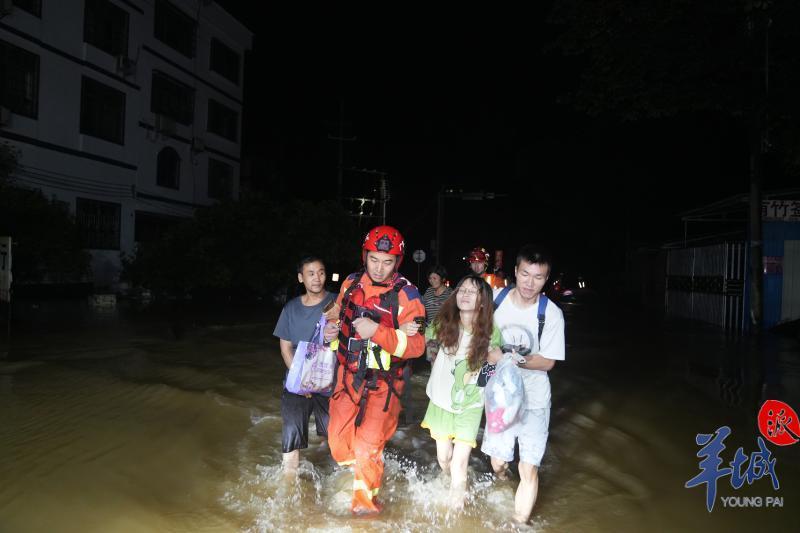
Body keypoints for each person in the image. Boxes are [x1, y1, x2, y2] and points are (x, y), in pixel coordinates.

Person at [322, 225, 426, 515]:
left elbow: (417, 346)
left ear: (397, 262)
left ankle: (365, 512)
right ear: (365, 256)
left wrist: (377, 331)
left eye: (387, 261)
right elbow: (337, 314)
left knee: (367, 446)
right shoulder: (350, 283)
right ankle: (367, 465)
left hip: (384, 385)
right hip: (347, 376)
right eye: (374, 260)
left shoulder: (408, 295)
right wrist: (331, 329)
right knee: (338, 445)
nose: (379, 268)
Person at [480, 245, 565, 524]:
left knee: (528, 467)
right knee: (499, 462)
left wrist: (508, 359)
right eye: (525, 274)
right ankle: (503, 477)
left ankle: (518, 525)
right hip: (501, 397)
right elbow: (478, 334)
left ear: (547, 279)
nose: (530, 283)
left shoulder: (550, 314)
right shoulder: (496, 299)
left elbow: (548, 362)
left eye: (538, 277)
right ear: (515, 272)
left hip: (535, 398)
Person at [420, 274, 502, 509]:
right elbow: (417, 342)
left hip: (470, 405)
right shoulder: (443, 323)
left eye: (472, 291)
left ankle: (456, 516)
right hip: (440, 400)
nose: (464, 294)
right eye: (461, 289)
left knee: (459, 463)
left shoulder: (491, 332)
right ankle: (449, 486)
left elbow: (492, 368)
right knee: (444, 459)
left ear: (483, 301)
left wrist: (494, 366)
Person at [273, 256, 337, 478]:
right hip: (297, 384)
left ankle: (330, 478)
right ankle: (290, 485)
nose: (317, 278)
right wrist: (303, 380)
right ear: (301, 278)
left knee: (335, 438)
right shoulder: (290, 309)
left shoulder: (337, 303)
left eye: (321, 272)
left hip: (330, 384)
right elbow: (285, 348)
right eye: (310, 273)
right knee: (291, 439)